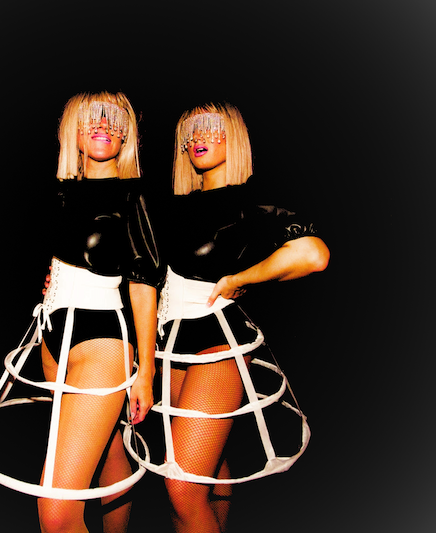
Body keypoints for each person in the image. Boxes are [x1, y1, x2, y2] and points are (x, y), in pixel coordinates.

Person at [0, 91, 163, 533]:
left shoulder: (133, 196)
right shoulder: (59, 192)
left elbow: (144, 284)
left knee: (56, 514)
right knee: (109, 448)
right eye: (92, 118)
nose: (103, 126)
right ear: (71, 129)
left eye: (113, 120)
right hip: (51, 336)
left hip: (101, 341)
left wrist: (146, 372)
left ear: (127, 135)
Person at [126, 101, 330, 532]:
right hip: (168, 345)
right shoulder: (169, 205)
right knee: (210, 472)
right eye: (190, 131)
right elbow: (139, 273)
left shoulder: (250, 204)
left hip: (217, 342)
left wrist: (241, 278)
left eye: (210, 126)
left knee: (182, 487)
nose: (198, 137)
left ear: (233, 134)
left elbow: (313, 254)